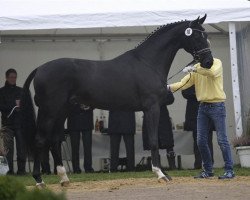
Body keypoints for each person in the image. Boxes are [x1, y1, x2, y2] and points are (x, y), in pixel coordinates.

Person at [168, 58, 235, 179]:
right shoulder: (196, 68)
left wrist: (195, 68)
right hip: (203, 107)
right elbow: (183, 84)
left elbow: (212, 73)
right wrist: (167, 87)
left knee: (222, 140)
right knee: (200, 140)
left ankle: (229, 170)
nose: (198, 56)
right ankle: (208, 170)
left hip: (217, 105)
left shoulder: (216, 63)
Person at [0, 68, 26, 175]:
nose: (13, 79)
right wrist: (13, 106)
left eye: (15, 77)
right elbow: (1, 106)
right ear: (6, 77)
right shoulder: (1, 91)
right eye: (11, 77)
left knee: (21, 149)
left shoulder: (21, 91)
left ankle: (21, 171)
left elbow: (26, 107)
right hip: (7, 124)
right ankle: (9, 171)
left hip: (19, 124)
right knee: (8, 150)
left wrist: (21, 107)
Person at [182, 86, 215, 169]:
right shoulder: (191, 79)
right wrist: (199, 94)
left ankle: (209, 164)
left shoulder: (208, 78)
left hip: (207, 112)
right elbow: (185, 93)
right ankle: (198, 164)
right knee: (197, 141)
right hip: (194, 115)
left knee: (208, 141)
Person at [142, 90, 176, 170]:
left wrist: (158, 101)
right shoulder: (144, 85)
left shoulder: (163, 85)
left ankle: (172, 166)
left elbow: (171, 99)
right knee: (153, 143)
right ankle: (157, 166)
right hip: (150, 116)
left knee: (168, 143)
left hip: (163, 116)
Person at [68, 103, 94, 173]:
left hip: (87, 121)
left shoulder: (90, 92)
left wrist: (90, 106)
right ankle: (76, 169)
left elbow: (95, 102)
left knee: (87, 147)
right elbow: (67, 105)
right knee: (75, 148)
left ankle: (88, 168)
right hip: (74, 122)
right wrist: (80, 107)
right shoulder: (70, 92)